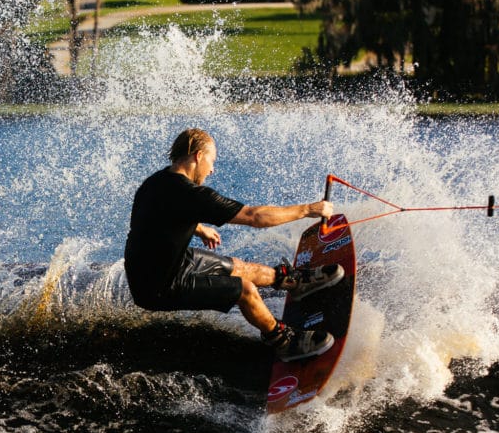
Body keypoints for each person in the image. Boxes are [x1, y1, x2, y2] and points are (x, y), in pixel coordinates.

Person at [124, 128, 343, 361]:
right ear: (198, 156)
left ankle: (294, 282)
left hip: (159, 266)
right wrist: (308, 209)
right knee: (245, 289)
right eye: (212, 161)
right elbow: (253, 217)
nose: (212, 169)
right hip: (159, 287)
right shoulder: (192, 195)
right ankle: (284, 342)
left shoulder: (155, 182)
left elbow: (156, 217)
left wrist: (199, 228)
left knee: (237, 266)